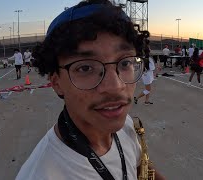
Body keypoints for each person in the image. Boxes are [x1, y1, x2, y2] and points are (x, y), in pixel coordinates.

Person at [16, 1, 165, 179]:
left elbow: (144, 170)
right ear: (56, 83)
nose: (115, 87)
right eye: (85, 68)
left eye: (125, 63)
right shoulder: (43, 174)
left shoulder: (125, 125)